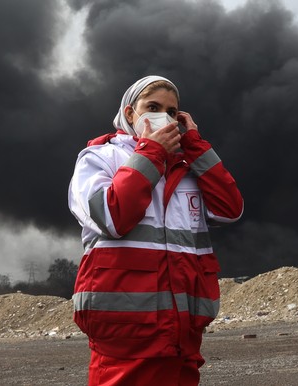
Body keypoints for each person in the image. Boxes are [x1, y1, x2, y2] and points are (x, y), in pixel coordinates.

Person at [68, 75, 244, 385]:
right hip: (126, 337)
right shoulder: (101, 159)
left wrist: (195, 146)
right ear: (130, 113)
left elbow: (230, 210)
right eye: (152, 107)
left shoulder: (188, 169)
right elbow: (111, 216)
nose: (163, 116)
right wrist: (151, 153)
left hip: (180, 334)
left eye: (172, 111)